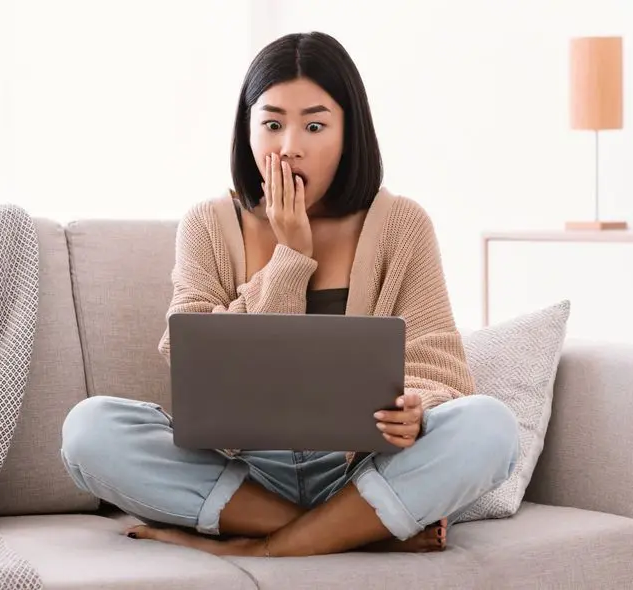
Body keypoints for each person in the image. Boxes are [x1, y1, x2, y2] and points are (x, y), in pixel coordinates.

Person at [60, 31, 519, 558]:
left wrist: (417, 407)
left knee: (490, 427)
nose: (289, 146)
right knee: (90, 430)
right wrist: (291, 258)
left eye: (315, 125)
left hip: (365, 469)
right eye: (272, 123)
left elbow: (439, 367)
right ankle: (345, 530)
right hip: (239, 474)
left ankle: (261, 547)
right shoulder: (209, 223)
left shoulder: (401, 225)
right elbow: (193, 362)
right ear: (247, 130)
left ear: (349, 133)